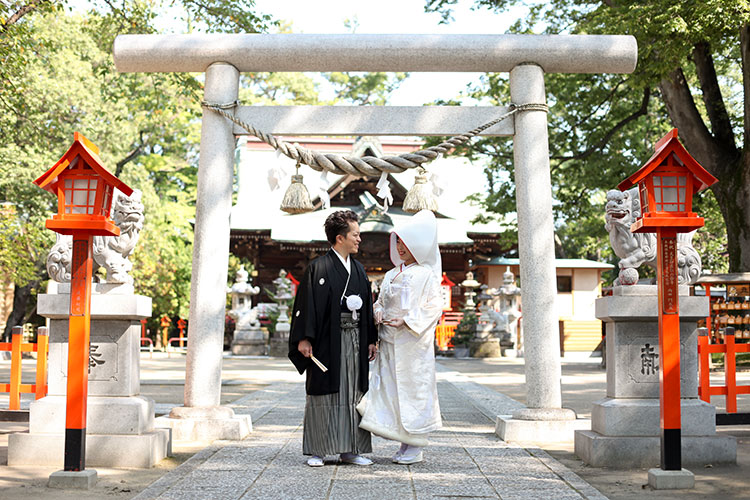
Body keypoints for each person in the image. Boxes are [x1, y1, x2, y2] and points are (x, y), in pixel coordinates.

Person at [288, 209, 378, 467]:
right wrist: (304, 338)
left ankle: (351, 449)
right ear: (340, 238)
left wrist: (371, 338)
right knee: (325, 391)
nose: (359, 239)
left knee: (354, 392)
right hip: (327, 341)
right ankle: (318, 449)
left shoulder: (359, 270)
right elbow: (305, 305)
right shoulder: (318, 267)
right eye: (355, 235)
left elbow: (368, 308)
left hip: (355, 339)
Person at [357, 209, 443, 465]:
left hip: (414, 343)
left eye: (405, 242)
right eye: (398, 242)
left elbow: (434, 306)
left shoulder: (427, 275)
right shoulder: (390, 274)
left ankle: (415, 444)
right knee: (392, 391)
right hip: (390, 342)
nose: (400, 247)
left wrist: (407, 320)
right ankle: (404, 441)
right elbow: (379, 302)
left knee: (414, 390)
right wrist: (379, 312)